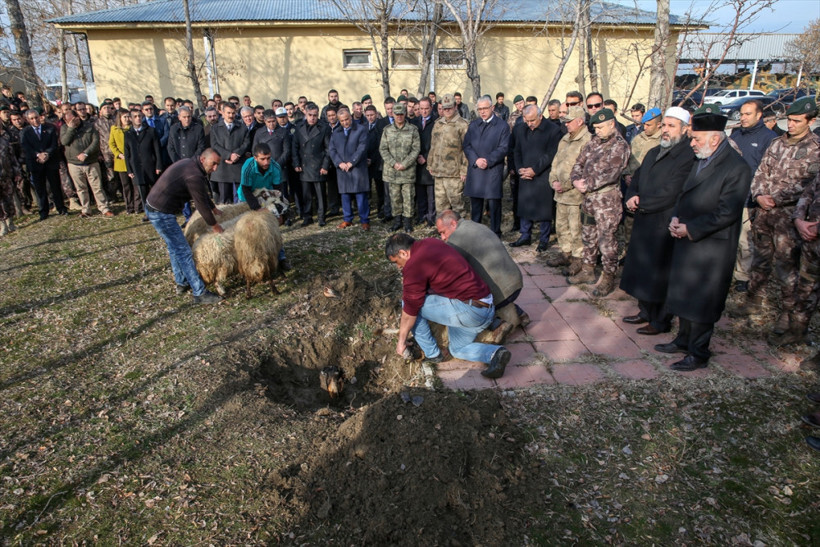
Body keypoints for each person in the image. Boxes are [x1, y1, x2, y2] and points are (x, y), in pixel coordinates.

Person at [654, 108, 751, 371]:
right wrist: (675, 217)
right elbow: (684, 194)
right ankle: (683, 339)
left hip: (712, 246)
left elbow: (727, 212)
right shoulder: (702, 158)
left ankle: (698, 352)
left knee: (703, 300)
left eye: (696, 138)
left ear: (715, 139)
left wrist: (691, 228)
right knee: (685, 292)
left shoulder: (737, 168)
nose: (692, 143)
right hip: (688, 238)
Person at [739, 97, 820, 343]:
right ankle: (753, 301)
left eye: (797, 121)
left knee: (786, 268)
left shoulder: (816, 148)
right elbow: (761, 172)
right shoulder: (776, 143)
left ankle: (787, 314)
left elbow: (807, 185)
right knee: (760, 261)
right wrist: (759, 195)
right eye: (789, 120)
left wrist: (774, 198)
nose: (791, 125)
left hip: (789, 217)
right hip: (765, 213)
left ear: (811, 121)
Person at [385, 232, 512, 378]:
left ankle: (432, 354)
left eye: (396, 261)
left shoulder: (414, 265)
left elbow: (409, 312)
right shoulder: (431, 242)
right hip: (485, 307)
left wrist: (401, 341)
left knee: (408, 304)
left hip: (469, 310)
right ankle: (496, 354)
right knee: (457, 349)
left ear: (403, 253)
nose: (398, 267)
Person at [619, 107, 696, 335]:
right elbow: (637, 178)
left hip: (664, 222)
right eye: (664, 125)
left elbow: (672, 191)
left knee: (660, 272)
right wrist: (632, 196)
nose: (666, 130)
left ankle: (660, 320)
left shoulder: (687, 155)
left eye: (672, 126)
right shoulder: (654, 151)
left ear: (684, 129)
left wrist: (642, 202)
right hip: (643, 218)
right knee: (642, 268)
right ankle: (645, 310)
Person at [145, 149, 223, 304]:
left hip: (155, 207)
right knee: (184, 251)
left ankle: (182, 282)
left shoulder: (191, 164)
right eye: (213, 164)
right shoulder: (193, 175)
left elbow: (201, 193)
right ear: (203, 159)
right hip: (161, 212)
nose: (215, 168)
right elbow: (200, 205)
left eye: (217, 165)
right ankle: (199, 293)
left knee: (174, 247)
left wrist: (213, 208)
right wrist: (215, 226)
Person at [567, 108, 630, 296]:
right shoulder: (593, 142)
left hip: (606, 201)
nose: (597, 131)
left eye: (601, 127)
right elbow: (578, 162)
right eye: (595, 128)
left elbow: (611, 172)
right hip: (588, 199)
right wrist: (575, 180)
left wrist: (586, 184)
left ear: (612, 124)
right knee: (588, 235)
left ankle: (609, 276)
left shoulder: (620, 145)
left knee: (606, 240)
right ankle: (588, 270)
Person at [435, 209, 526, 328]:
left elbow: (443, 269)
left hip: (503, 292)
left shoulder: (456, 238)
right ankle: (517, 312)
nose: (442, 237)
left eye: (443, 232)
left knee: (467, 308)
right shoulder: (475, 225)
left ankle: (499, 323)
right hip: (516, 282)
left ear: (453, 224)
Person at [728, 99, 777, 293]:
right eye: (741, 114)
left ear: (759, 115)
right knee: (729, 237)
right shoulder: (736, 135)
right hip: (730, 195)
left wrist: (759, 194)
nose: (743, 118)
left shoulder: (769, 138)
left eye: (748, 114)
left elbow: (769, 171)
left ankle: (743, 276)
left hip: (750, 197)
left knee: (745, 241)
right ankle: (727, 271)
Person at [510, 105, 563, 252]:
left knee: (544, 208)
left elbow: (551, 154)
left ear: (540, 116)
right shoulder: (520, 129)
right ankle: (525, 235)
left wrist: (534, 170)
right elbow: (516, 150)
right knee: (525, 205)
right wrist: (520, 169)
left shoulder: (553, 130)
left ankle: (543, 239)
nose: (529, 124)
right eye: (526, 120)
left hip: (543, 174)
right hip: (524, 174)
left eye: (532, 120)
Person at [546, 105, 591, 272]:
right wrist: (553, 181)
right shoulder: (565, 138)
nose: (566, 124)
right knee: (561, 226)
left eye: (569, 121)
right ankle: (566, 254)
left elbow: (585, 170)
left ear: (579, 121)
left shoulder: (588, 141)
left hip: (575, 196)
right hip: (560, 194)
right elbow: (555, 162)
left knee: (576, 229)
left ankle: (578, 258)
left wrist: (564, 185)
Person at [463, 95, 510, 237]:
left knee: (494, 204)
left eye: (485, 108)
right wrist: (476, 160)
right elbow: (467, 145)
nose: (482, 112)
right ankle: (475, 233)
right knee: (476, 204)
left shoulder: (502, 126)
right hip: (476, 169)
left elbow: (503, 148)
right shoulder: (473, 125)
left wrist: (488, 160)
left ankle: (495, 233)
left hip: (492, 170)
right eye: (480, 109)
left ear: (492, 108)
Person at [61, 107, 114, 218]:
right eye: (68, 121)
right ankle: (86, 209)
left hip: (91, 161)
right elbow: (64, 141)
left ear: (77, 117)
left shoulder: (89, 126)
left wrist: (86, 153)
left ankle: (104, 208)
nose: (72, 122)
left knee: (97, 186)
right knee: (81, 188)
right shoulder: (64, 128)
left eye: (73, 119)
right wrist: (71, 128)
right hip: (74, 164)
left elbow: (95, 141)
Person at [791, 174, 820, 371]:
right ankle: (797, 331)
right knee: (806, 288)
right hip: (812, 242)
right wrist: (798, 220)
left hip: (814, 231)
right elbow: (808, 193)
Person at [379, 102, 420, 232]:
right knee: (395, 198)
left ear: (405, 114)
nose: (399, 116)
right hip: (392, 172)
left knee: (408, 197)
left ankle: (407, 223)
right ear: (393, 114)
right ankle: (397, 222)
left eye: (401, 114)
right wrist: (394, 163)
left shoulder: (413, 130)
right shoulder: (387, 130)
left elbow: (416, 149)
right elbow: (383, 149)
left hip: (407, 171)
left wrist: (405, 164)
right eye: (397, 114)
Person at [20, 109, 67, 220]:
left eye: (36, 117)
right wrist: (38, 155)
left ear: (39, 117)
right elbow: (26, 147)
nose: (35, 120)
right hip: (35, 163)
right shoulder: (24, 132)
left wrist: (46, 154)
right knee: (40, 189)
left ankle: (61, 208)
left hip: (50, 161)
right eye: (32, 118)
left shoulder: (49, 128)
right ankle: (43, 211)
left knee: (55, 186)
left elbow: (54, 144)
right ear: (27, 120)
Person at [328, 108, 370, 230]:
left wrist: (352, 162)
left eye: (347, 119)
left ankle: (364, 220)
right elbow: (332, 150)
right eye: (342, 121)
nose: (345, 122)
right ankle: (347, 219)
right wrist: (339, 163)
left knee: (360, 195)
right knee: (345, 195)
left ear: (350, 117)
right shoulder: (336, 132)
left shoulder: (361, 129)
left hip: (357, 167)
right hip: (342, 169)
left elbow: (362, 148)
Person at [427, 94, 469, 217]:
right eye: (444, 108)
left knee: (457, 207)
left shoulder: (463, 125)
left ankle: (461, 228)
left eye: (449, 108)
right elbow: (433, 146)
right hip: (439, 172)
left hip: (454, 174)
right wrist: (430, 164)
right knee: (441, 207)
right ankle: (442, 228)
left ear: (455, 107)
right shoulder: (438, 124)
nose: (447, 111)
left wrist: (464, 170)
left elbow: (467, 149)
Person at [292, 102, 331, 226]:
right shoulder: (299, 127)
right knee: (306, 194)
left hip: (318, 165)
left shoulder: (324, 128)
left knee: (320, 195)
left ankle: (321, 217)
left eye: (315, 115)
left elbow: (328, 149)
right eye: (310, 115)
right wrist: (296, 163)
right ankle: (307, 216)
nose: (313, 118)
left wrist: (325, 166)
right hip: (304, 165)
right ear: (305, 114)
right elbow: (295, 147)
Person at [209, 102, 250, 204]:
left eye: (233, 113)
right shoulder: (215, 128)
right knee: (224, 200)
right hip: (222, 167)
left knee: (240, 199)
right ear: (222, 113)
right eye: (228, 113)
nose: (231, 115)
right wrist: (228, 155)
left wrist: (236, 154)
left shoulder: (242, 127)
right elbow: (214, 145)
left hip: (238, 165)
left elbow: (246, 143)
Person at [108, 108, 140, 214]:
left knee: (135, 185)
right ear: (120, 118)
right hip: (121, 161)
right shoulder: (114, 129)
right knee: (126, 186)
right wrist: (118, 154)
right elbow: (111, 143)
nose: (126, 119)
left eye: (128, 116)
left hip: (133, 160)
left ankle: (137, 206)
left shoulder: (133, 128)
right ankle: (129, 206)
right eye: (124, 117)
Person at [412, 97, 437, 227]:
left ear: (431, 108)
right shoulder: (414, 123)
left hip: (430, 162)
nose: (424, 111)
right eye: (421, 108)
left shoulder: (436, 123)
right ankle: (421, 216)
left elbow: (437, 144)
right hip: (416, 162)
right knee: (420, 191)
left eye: (426, 108)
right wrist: (416, 156)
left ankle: (431, 217)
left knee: (431, 194)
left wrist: (426, 157)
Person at [0, 123, 21, 235]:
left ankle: (11, 223)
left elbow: (12, 158)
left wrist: (17, 172)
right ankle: (2, 225)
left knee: (9, 200)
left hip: (6, 176)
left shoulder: (4, 141)